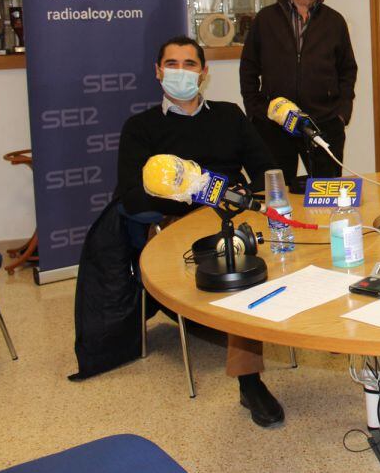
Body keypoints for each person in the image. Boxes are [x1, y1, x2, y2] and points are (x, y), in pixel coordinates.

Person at [115, 36, 286, 428]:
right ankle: (250, 380)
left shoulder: (228, 116)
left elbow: (265, 167)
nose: (180, 72)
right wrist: (188, 202)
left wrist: (249, 193)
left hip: (234, 217)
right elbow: (130, 196)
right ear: (158, 72)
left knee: (287, 248)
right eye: (171, 64)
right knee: (239, 271)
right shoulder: (140, 128)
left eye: (189, 64)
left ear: (204, 74)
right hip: (175, 226)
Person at [240, 0, 358, 186]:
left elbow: (347, 70)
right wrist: (256, 112)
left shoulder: (334, 22)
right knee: (277, 193)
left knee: (327, 191)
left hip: (323, 122)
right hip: (275, 124)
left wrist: (341, 114)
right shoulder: (265, 19)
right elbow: (248, 68)